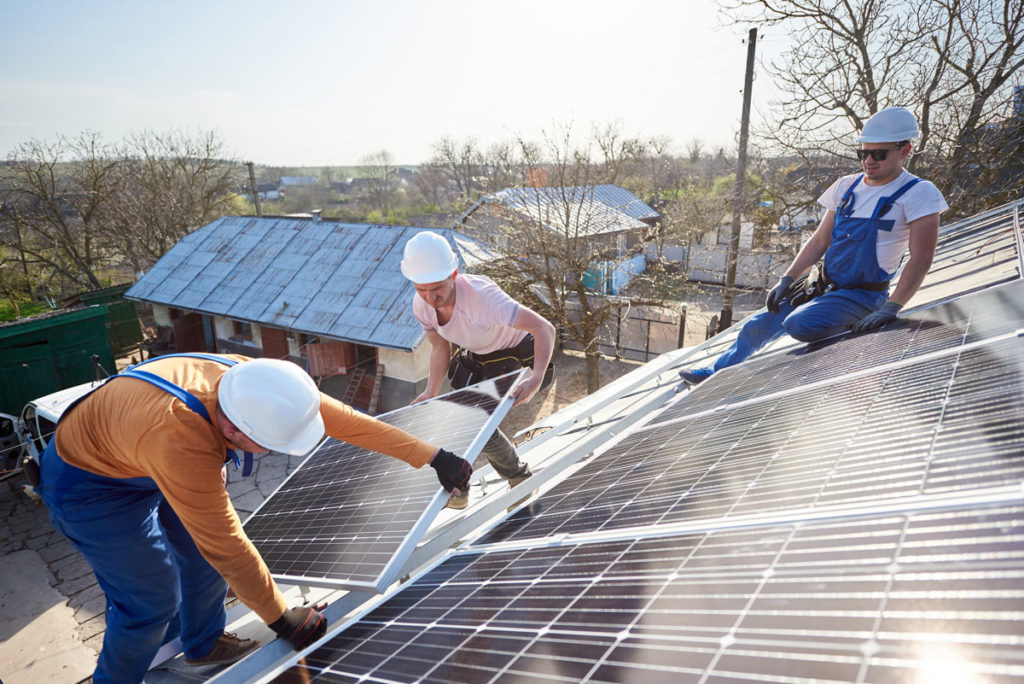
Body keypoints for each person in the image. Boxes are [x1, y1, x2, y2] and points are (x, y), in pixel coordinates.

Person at [37, 353, 472, 684]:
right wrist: (282, 619)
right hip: (89, 487)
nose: (272, 452)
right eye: (266, 445)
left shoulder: (255, 384)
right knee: (150, 602)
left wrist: (433, 456)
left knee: (199, 559)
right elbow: (226, 544)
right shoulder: (180, 439)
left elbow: (348, 421)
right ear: (230, 431)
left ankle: (203, 645)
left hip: (136, 448)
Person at [680, 107, 948, 385]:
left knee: (799, 323)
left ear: (905, 150)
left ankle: (839, 351)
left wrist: (892, 307)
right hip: (823, 285)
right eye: (863, 153)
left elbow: (922, 257)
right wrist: (788, 278)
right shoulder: (846, 187)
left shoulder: (920, 193)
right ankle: (715, 374)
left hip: (863, 296)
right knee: (757, 325)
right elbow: (820, 240)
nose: (869, 160)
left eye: (878, 154)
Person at [400, 231, 556, 509]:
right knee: (454, 416)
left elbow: (544, 328)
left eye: (436, 288)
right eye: (420, 289)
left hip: (517, 355)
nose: (429, 297)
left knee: (475, 422)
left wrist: (537, 378)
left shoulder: (483, 299)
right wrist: (430, 391)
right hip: (477, 354)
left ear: (454, 274)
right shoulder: (421, 305)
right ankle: (461, 487)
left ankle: (519, 479)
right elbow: (439, 348)